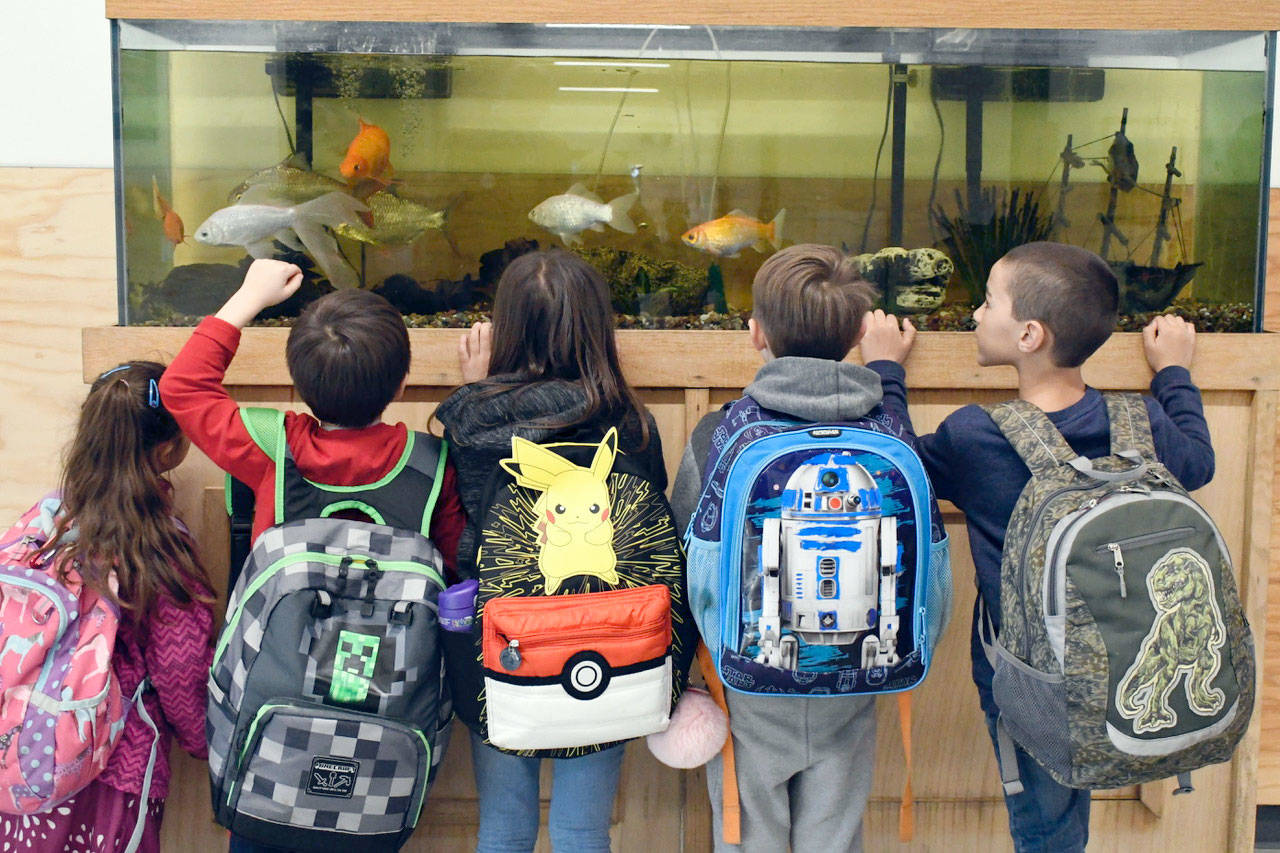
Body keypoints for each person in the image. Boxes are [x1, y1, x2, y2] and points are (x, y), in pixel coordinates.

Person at [873, 241, 1215, 852]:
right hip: (1126, 650)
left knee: (1046, 824)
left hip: (1027, 671)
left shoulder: (975, 436)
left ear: (1028, 334)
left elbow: (895, 465)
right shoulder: (1142, 422)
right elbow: (1200, 461)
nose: (975, 314)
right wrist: (1173, 373)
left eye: (986, 303)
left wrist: (886, 369)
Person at [158, 260, 466, 853]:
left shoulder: (274, 447)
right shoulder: (433, 467)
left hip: (275, 729)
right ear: (402, 383)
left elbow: (182, 387)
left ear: (297, 386)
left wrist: (247, 299)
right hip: (380, 745)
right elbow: (458, 572)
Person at [669, 243, 931, 853]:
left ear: (755, 332)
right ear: (862, 330)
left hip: (747, 686)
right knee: (835, 836)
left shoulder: (720, 434)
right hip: (857, 678)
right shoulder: (889, 438)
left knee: (747, 834)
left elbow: (684, 557)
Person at [433, 249, 672, 853]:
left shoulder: (473, 420)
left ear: (505, 329)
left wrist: (478, 388)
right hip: (606, 647)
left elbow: (466, 517)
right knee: (581, 830)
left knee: (504, 827)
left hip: (501, 650)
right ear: (600, 330)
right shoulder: (634, 426)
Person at [0, 361, 214, 853]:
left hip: (19, 757)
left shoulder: (42, 520)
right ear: (169, 449)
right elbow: (179, 669)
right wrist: (204, 744)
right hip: (115, 769)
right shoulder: (159, 546)